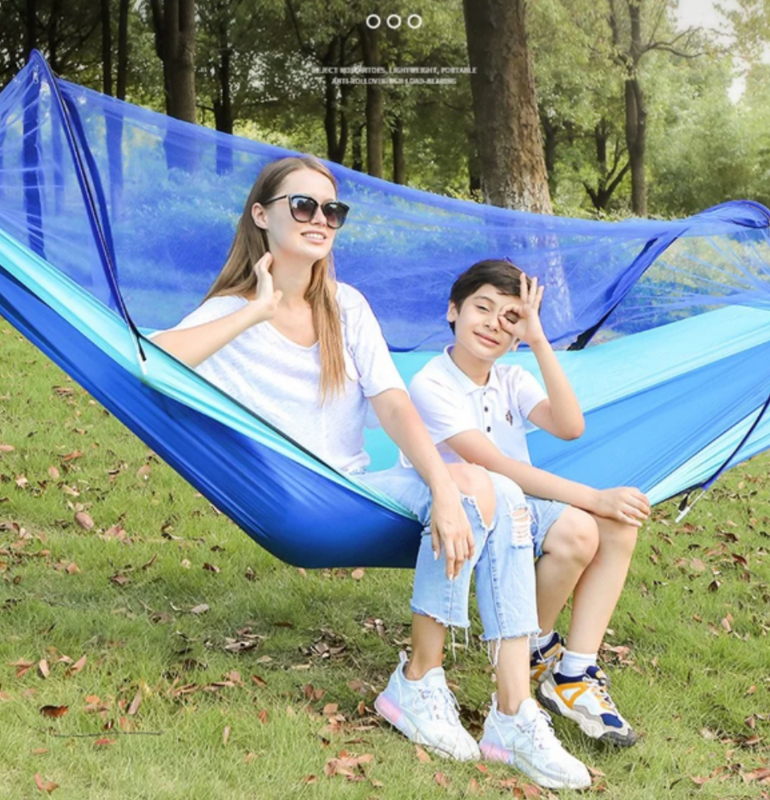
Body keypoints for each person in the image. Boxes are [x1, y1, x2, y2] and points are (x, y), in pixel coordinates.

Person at [147, 155, 591, 790]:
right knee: (479, 486)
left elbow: (392, 401)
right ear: (261, 215)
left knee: (499, 488)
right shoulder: (230, 311)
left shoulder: (346, 306)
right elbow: (151, 360)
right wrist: (256, 310)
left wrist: (441, 483)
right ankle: (419, 684)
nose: (320, 219)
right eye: (303, 206)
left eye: (332, 210)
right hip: (297, 496)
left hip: (359, 488)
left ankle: (510, 712)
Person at [402, 258, 652, 748]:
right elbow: (497, 466)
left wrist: (538, 340)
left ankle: (573, 671)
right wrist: (596, 497)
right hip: (466, 508)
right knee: (588, 524)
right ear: (453, 311)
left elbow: (570, 425)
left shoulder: (512, 378)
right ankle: (534, 646)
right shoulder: (431, 382)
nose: (494, 323)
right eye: (483, 308)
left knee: (617, 527)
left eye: (510, 316)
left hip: (519, 505)